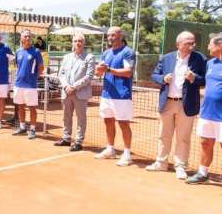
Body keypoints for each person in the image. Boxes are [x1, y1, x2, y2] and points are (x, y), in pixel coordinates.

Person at [147, 31, 206, 179]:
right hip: (167, 102)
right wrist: (163, 78)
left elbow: (205, 80)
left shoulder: (200, 59)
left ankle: (180, 166)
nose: (192, 45)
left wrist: (194, 78)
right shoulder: (166, 58)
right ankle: (161, 163)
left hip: (186, 104)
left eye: (193, 43)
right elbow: (154, 75)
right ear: (179, 44)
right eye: (189, 42)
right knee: (163, 135)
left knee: (183, 137)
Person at [94, 26, 134, 166]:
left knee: (123, 124)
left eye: (113, 35)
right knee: (108, 121)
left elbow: (128, 72)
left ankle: (127, 154)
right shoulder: (106, 53)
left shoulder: (128, 52)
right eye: (109, 35)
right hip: (107, 94)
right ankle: (110, 149)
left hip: (122, 95)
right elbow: (99, 72)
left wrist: (109, 69)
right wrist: (98, 71)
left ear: (121, 36)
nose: (110, 38)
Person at [186, 33, 222, 184]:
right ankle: (203, 173)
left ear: (220, 46)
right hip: (207, 112)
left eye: (210, 44)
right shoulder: (210, 63)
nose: (208, 46)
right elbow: (204, 82)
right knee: (205, 142)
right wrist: (193, 77)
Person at [55, 33, 95, 151]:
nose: (78, 43)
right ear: (72, 43)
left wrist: (74, 87)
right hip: (66, 92)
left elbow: (89, 76)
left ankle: (78, 141)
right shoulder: (67, 57)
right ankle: (66, 138)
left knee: (81, 118)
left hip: (80, 93)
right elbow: (61, 73)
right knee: (66, 117)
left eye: (80, 41)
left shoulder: (89, 57)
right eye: (75, 41)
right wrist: (67, 86)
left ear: (84, 43)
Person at [11, 30, 44, 139]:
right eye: (25, 36)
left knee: (32, 108)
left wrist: (34, 77)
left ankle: (33, 129)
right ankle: (22, 127)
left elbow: (41, 68)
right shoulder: (18, 52)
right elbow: (17, 67)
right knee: (20, 106)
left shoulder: (36, 51)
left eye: (29, 36)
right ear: (21, 39)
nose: (27, 38)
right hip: (19, 84)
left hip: (31, 85)